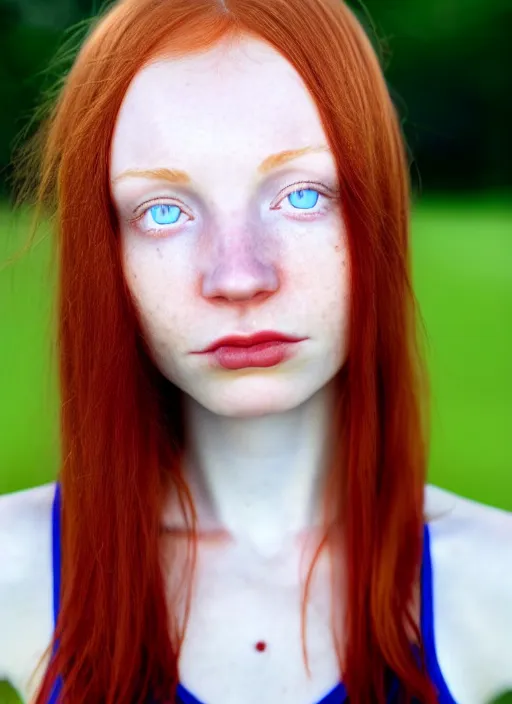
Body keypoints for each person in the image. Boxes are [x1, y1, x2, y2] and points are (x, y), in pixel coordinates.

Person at [0, 0, 511, 702]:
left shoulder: (496, 578)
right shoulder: (12, 569)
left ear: (378, 206)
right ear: (105, 253)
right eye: (163, 211)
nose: (239, 276)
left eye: (302, 196)